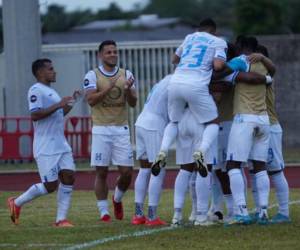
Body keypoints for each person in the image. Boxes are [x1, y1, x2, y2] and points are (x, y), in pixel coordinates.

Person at [7, 58, 78, 227]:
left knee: (69, 177)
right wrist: (59, 104)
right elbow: (35, 114)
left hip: (61, 144)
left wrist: (72, 101)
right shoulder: (35, 90)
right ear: (40, 72)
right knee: (50, 186)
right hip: (46, 146)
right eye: (50, 69)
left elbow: (59, 113)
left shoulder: (51, 91)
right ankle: (16, 203)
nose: (54, 71)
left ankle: (61, 220)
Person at [83, 40, 137, 222]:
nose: (113, 54)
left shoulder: (126, 74)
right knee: (101, 172)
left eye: (115, 51)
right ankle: (103, 212)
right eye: (108, 52)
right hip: (101, 129)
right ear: (100, 55)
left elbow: (133, 103)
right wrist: (109, 87)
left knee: (127, 172)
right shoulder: (92, 75)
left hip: (121, 128)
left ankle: (117, 199)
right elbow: (90, 100)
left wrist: (128, 90)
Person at [225, 37, 271, 225]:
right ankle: (263, 212)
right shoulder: (264, 64)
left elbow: (219, 71)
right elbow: (272, 74)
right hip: (264, 119)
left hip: (245, 118)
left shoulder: (240, 61)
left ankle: (242, 211)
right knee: (260, 167)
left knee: (233, 165)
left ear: (241, 46)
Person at [248, 45, 290, 224]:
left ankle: (284, 212)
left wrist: (262, 59)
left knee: (276, 171)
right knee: (255, 171)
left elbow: (273, 68)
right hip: (256, 129)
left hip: (270, 128)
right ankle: (260, 211)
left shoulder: (267, 77)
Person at [132, 74, 171, 226]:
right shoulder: (176, 81)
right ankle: (152, 217)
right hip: (154, 125)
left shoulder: (164, 80)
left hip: (141, 122)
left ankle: (138, 215)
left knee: (144, 169)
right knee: (158, 169)